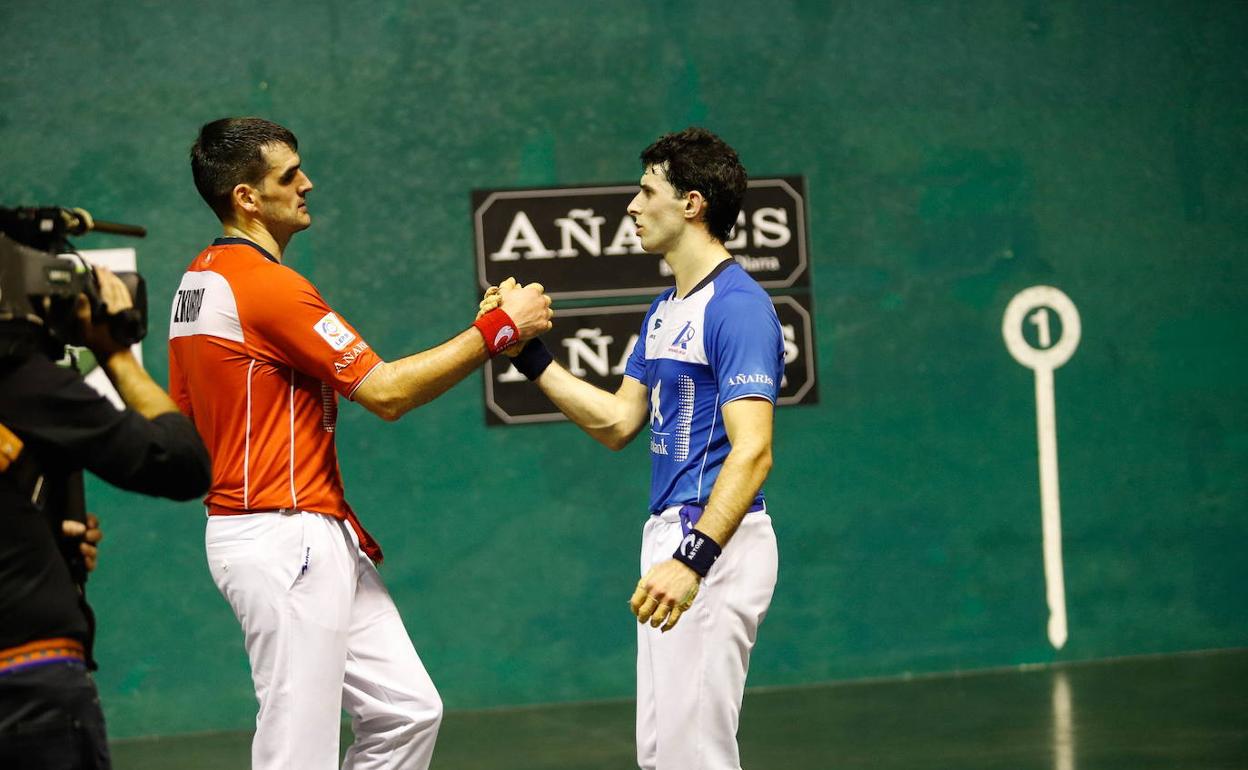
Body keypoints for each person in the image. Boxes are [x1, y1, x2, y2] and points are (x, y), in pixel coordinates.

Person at [171, 117, 552, 770]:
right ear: (247, 197)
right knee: (298, 750)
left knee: (405, 711)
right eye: (289, 175)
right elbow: (386, 392)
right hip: (280, 533)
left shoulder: (202, 277)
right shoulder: (263, 285)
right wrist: (496, 329)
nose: (307, 184)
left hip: (306, 529)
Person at [492, 127, 783, 770]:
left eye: (646, 190)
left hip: (712, 539)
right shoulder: (664, 308)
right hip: (669, 537)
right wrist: (527, 354)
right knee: (662, 755)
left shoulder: (739, 309)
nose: (631, 206)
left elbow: (753, 451)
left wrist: (694, 558)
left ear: (692, 204)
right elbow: (620, 421)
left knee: (694, 757)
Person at [0, 251, 212, 770]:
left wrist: (39, 533)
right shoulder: (19, 380)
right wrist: (114, 351)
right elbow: (180, 464)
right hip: (27, 681)